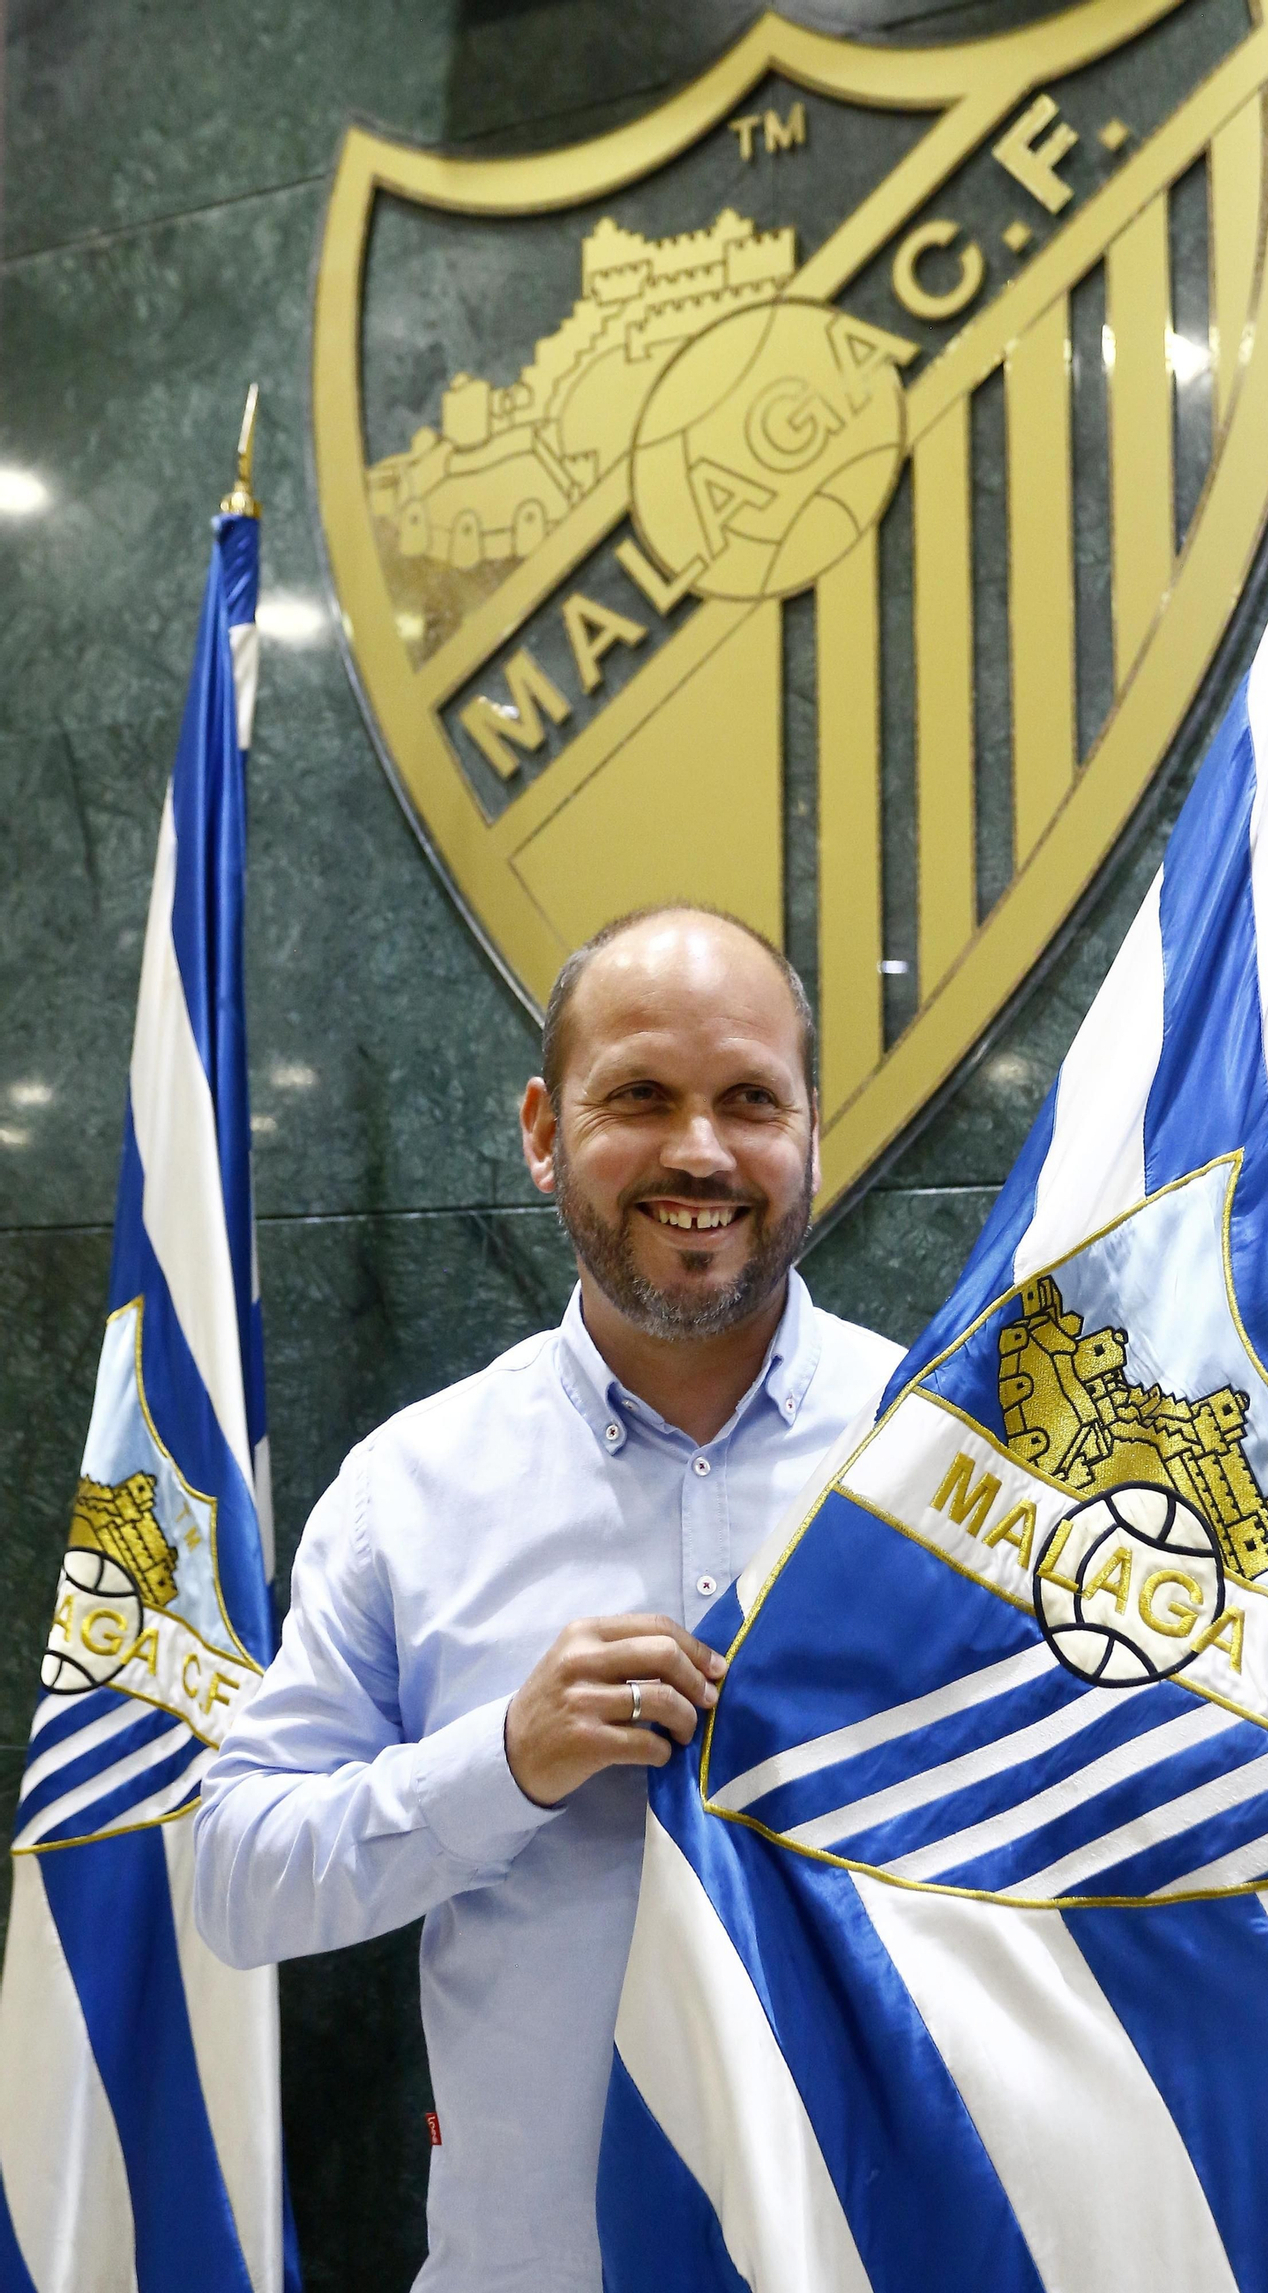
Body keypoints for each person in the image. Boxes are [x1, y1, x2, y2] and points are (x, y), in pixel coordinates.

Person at [194, 905, 901, 2292]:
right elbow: (236, 1877)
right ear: (541, 1127)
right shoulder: (414, 1490)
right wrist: (503, 1763)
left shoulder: (941, 1467)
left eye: (750, 1098)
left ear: (812, 1130)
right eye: (640, 1095)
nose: (699, 1149)